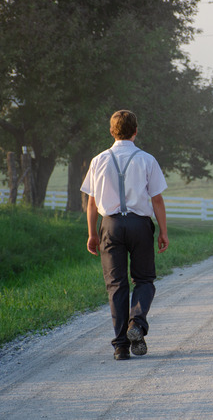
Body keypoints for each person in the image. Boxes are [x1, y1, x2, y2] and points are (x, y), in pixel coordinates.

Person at [80, 110, 169, 360]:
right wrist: (163, 231)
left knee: (116, 285)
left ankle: (120, 346)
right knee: (144, 280)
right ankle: (137, 324)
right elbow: (158, 199)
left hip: (111, 225)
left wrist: (92, 234)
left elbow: (91, 202)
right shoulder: (147, 160)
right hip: (140, 225)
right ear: (136, 131)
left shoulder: (98, 160)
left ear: (111, 131)